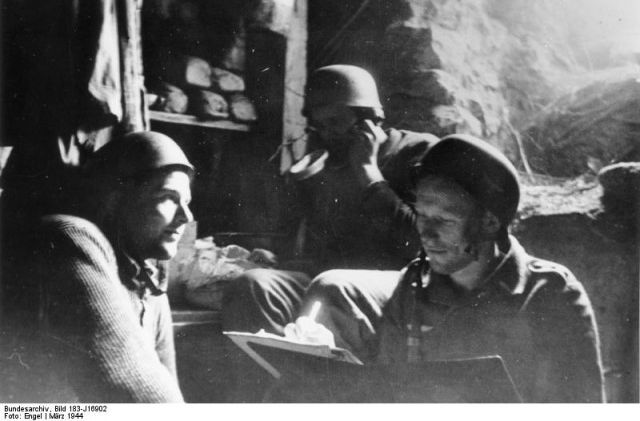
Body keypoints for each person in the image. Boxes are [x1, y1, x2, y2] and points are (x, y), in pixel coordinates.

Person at [222, 65, 438, 360]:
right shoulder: (328, 168)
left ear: (370, 119)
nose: (327, 134)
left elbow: (422, 245)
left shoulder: (418, 152)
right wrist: (285, 262)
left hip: (400, 288)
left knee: (331, 287)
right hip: (331, 284)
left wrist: (369, 174)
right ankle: (279, 387)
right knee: (254, 285)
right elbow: (326, 252)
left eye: (335, 123)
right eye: (319, 126)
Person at [376, 134, 605, 402]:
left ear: (490, 223)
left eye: (444, 220)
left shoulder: (549, 294)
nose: (426, 233)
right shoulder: (413, 287)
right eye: (422, 215)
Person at [3, 131, 193, 402]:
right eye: (168, 198)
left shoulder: (147, 278)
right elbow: (145, 399)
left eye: (186, 202)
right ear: (116, 197)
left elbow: (169, 396)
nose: (186, 216)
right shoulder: (68, 237)